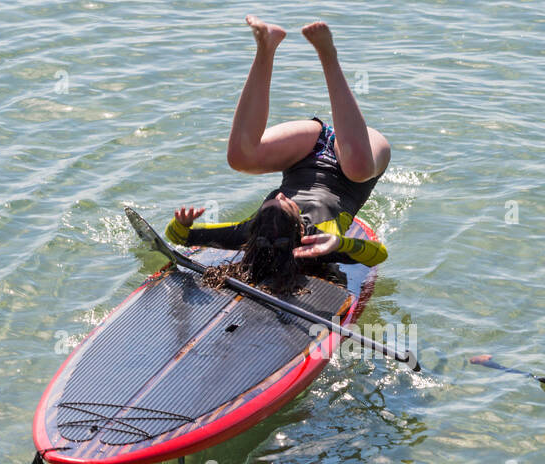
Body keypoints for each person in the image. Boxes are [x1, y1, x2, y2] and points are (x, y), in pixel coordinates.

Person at [163, 16, 390, 277]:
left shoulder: (250, 231)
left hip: (308, 148)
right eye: (283, 202)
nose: (281, 195)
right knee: (357, 169)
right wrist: (340, 243)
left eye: (270, 201)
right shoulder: (318, 239)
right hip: (361, 152)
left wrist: (180, 223)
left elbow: (182, 237)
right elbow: (378, 254)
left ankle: (266, 47)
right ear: (300, 228)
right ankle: (327, 56)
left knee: (239, 158)